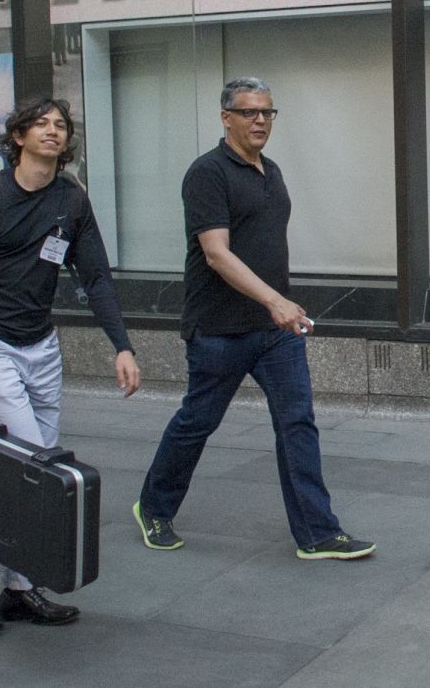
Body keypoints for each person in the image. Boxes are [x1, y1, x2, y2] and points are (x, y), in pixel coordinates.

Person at [133, 77, 373, 562]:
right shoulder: (207, 173)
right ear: (226, 118)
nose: (260, 120)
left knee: (297, 423)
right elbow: (217, 255)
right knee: (197, 422)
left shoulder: (272, 171)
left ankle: (317, 533)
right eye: (249, 112)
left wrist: (278, 307)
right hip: (220, 329)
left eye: (267, 112)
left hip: (274, 332)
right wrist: (275, 301)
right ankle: (154, 508)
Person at [0, 95, 141, 630]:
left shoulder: (71, 202)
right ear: (18, 137)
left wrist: (121, 345)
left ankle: (19, 587)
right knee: (29, 465)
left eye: (61, 125)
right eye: (41, 124)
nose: (53, 131)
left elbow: (96, 276)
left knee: (40, 466)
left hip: (42, 347)